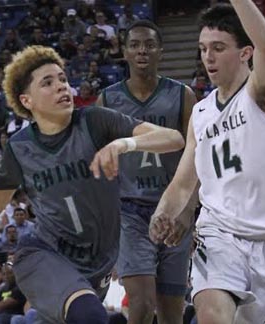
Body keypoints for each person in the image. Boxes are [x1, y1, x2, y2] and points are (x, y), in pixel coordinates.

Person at [0, 45, 184, 323]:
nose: (62, 87)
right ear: (27, 101)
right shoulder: (20, 147)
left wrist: (125, 143)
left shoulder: (95, 121)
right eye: (48, 83)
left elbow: (173, 138)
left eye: (63, 79)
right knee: (89, 315)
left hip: (95, 265)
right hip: (44, 254)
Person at [149, 2, 265, 324]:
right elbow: (183, 183)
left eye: (218, 48)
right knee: (211, 314)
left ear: (245, 52)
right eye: (203, 48)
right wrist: (162, 213)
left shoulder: (263, 94)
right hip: (218, 232)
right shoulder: (201, 113)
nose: (208, 57)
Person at [98, 20, 196, 324]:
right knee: (140, 305)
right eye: (135, 45)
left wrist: (188, 210)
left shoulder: (183, 96)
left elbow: (197, 158)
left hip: (173, 209)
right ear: (125, 52)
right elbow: (99, 165)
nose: (142, 50)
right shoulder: (107, 100)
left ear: (161, 52)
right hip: (129, 212)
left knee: (171, 313)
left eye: (149, 45)